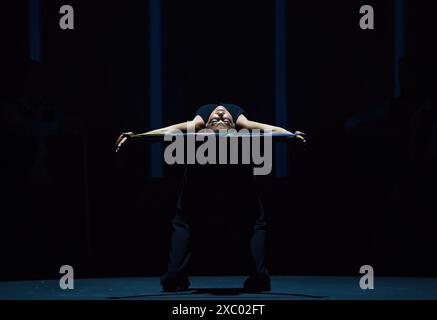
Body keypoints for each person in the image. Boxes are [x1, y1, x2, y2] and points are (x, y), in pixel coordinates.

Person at [116, 103, 306, 292]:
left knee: (254, 223)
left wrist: (291, 135)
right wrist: (137, 137)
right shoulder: (224, 120)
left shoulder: (222, 125)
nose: (221, 113)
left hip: (237, 186)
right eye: (217, 119)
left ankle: (259, 276)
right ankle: (174, 276)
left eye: (221, 119)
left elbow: (271, 131)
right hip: (200, 187)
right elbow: (167, 131)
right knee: (173, 273)